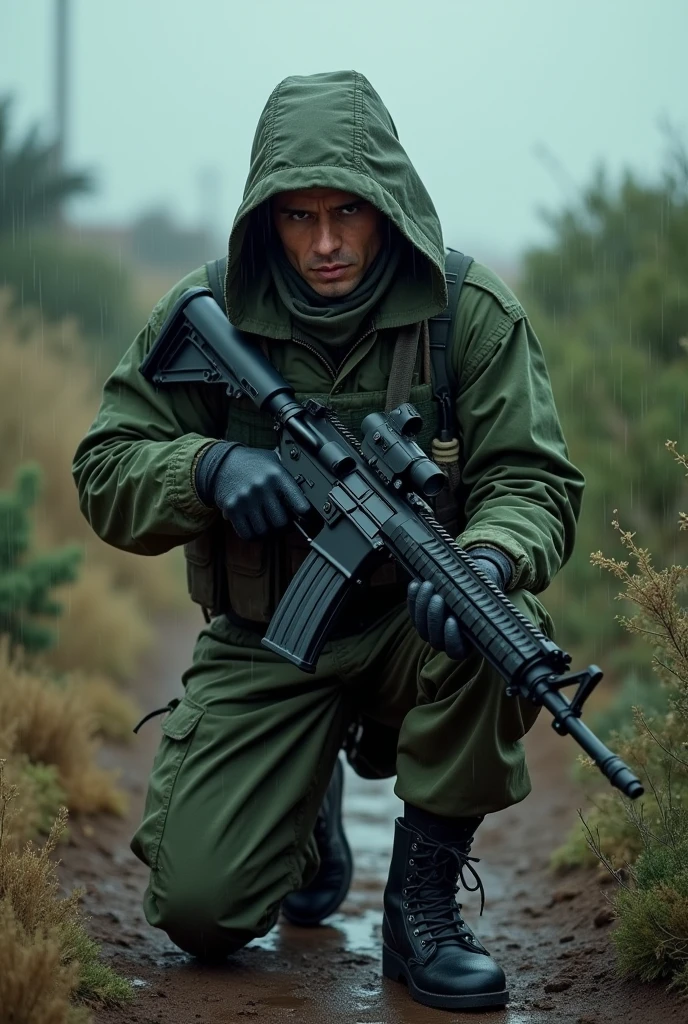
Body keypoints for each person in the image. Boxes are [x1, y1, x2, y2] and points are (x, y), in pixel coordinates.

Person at [73, 70, 584, 1012]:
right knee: (199, 914)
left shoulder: (464, 314)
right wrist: (206, 470)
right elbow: (105, 471)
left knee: (497, 623)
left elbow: (532, 481)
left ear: (388, 200)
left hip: (412, 630)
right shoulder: (207, 309)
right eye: (297, 216)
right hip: (272, 636)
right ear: (265, 216)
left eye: (348, 211)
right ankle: (307, 815)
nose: (325, 243)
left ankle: (421, 909)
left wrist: (489, 556)